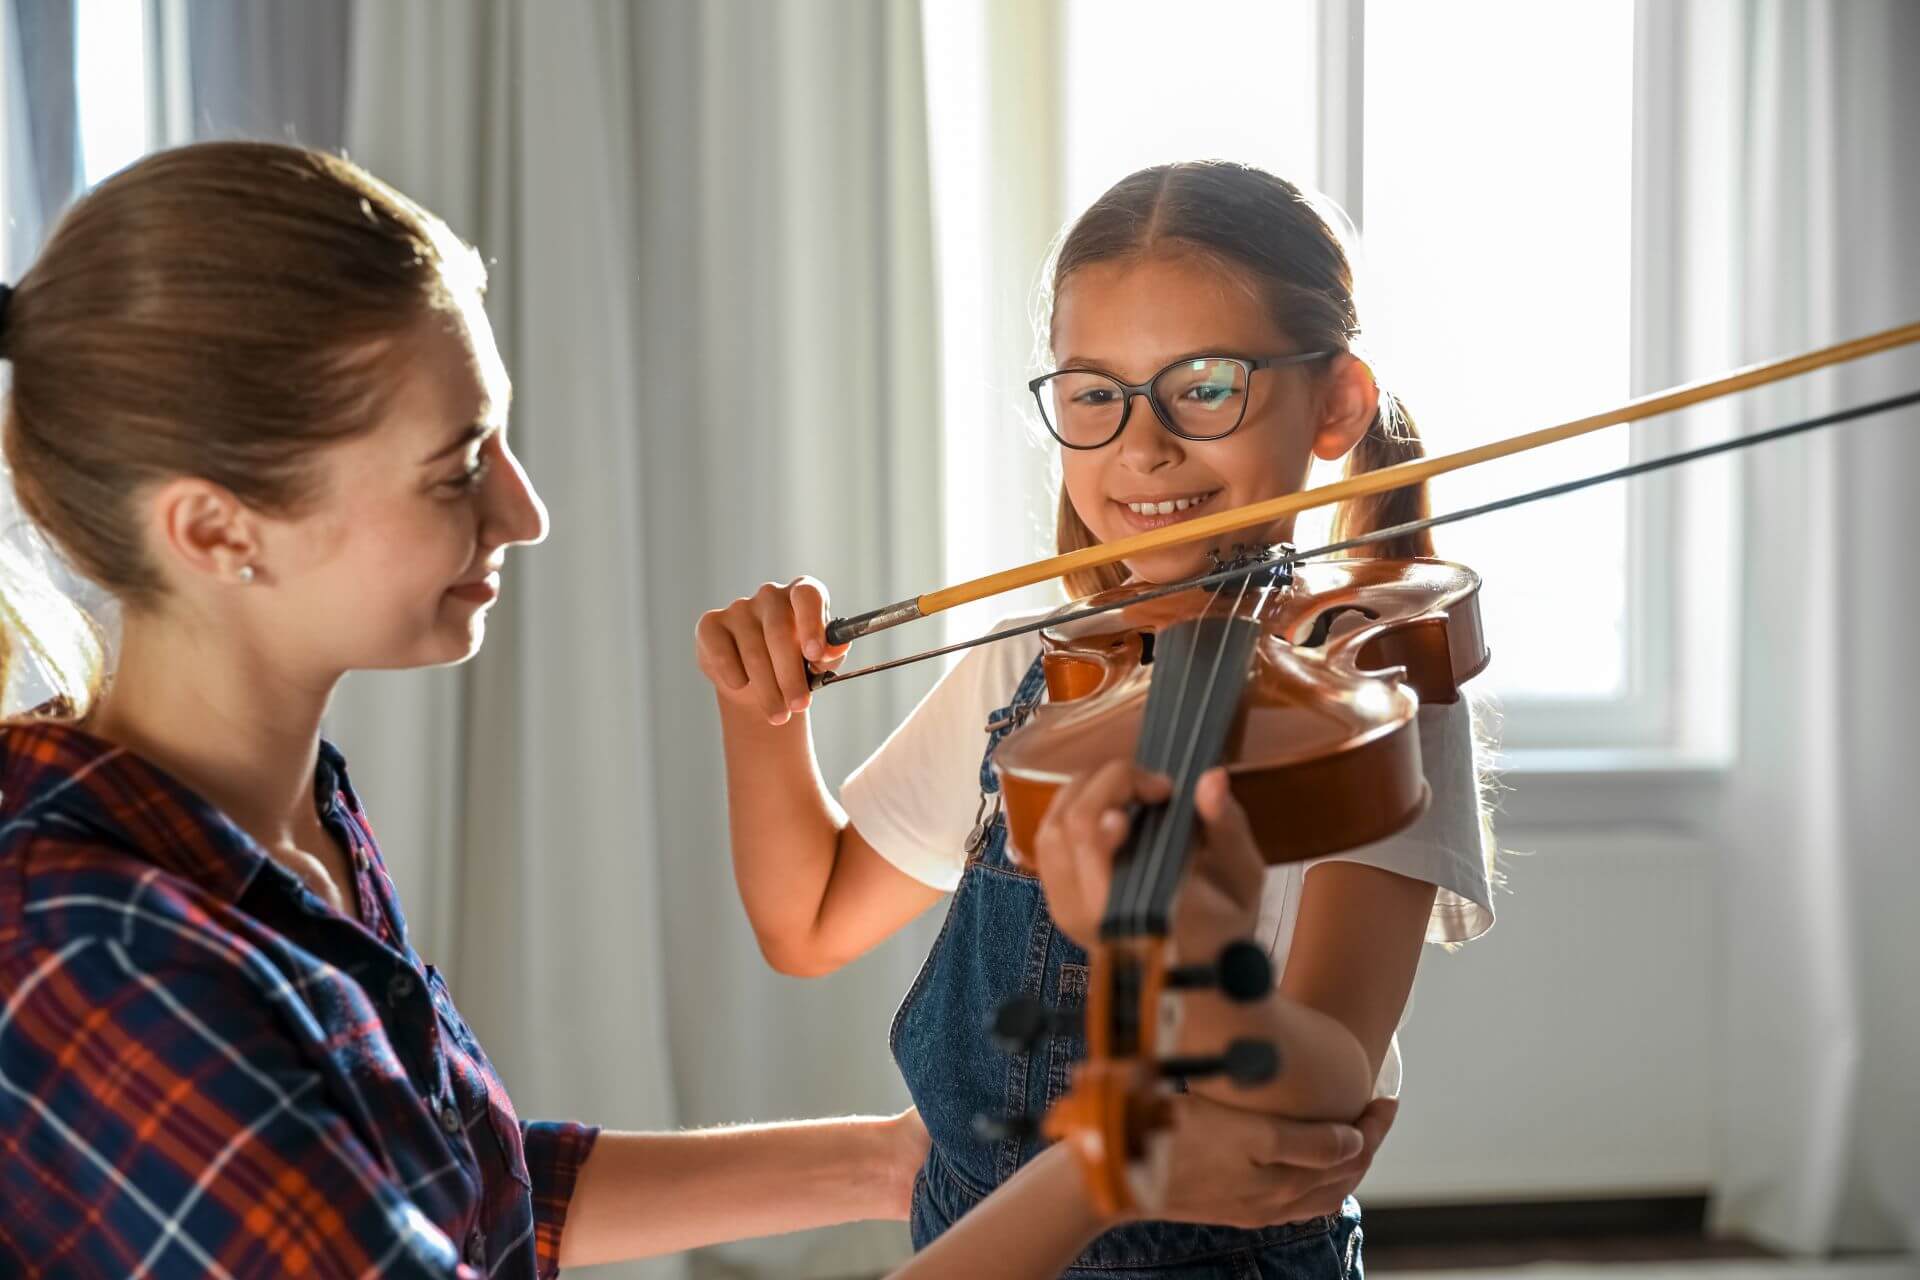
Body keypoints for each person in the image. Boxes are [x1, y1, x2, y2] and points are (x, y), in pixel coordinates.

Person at [0, 142, 1388, 1279]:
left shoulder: (282, 825)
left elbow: (471, 1187)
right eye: (457, 464)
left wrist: (898, 1163)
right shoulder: (105, 957)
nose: (527, 512)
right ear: (216, 529)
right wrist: (1105, 1173)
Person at [697, 160, 1496, 1277]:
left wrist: (1193, 951)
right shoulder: (1040, 664)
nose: (1142, 445)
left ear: (1338, 404)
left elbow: (1324, 1076)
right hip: (972, 1236)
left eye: (1206, 385)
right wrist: (760, 714)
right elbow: (810, 919)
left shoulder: (1371, 689)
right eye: (1092, 391)